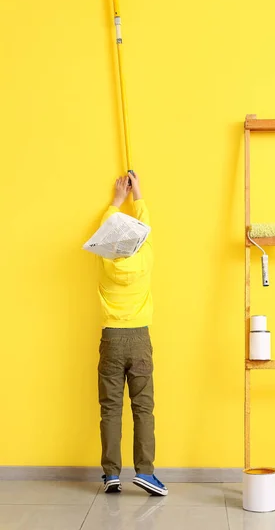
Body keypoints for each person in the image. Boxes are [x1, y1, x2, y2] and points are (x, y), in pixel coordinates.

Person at [97, 172, 168, 496]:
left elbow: (104, 230)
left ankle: (111, 474)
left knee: (110, 408)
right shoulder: (147, 256)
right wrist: (137, 194)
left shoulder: (106, 259)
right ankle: (146, 473)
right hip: (140, 339)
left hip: (111, 338)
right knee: (143, 408)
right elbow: (146, 224)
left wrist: (115, 201)